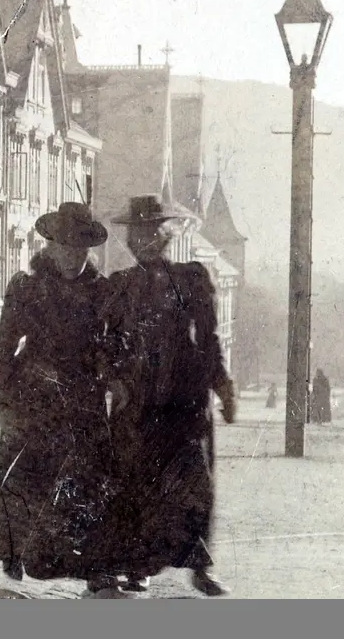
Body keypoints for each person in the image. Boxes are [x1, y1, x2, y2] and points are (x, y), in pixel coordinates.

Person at [101, 194, 236, 598]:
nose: (143, 240)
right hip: (137, 401)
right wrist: (114, 379)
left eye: (152, 232)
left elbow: (208, 338)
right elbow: (101, 343)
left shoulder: (192, 278)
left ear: (166, 234)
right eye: (136, 234)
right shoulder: (119, 286)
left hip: (185, 400)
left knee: (194, 482)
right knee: (134, 482)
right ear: (128, 240)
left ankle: (200, 568)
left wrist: (223, 386)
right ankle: (137, 567)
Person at [0, 202, 120, 594]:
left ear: (89, 250)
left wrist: (110, 376)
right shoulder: (27, 286)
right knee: (26, 473)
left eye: (81, 248)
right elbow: (5, 346)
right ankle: (15, 549)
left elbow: (108, 345)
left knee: (92, 477)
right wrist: (5, 402)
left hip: (83, 395)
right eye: (66, 246)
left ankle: (96, 567)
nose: (73, 256)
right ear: (51, 245)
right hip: (35, 393)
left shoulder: (101, 289)